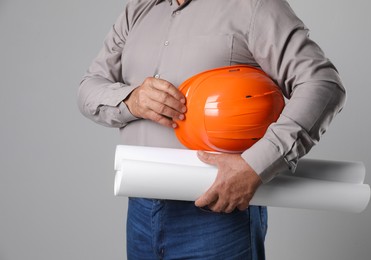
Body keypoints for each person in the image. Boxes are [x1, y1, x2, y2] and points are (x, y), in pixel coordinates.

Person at [77, 0, 346, 259]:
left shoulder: (254, 5)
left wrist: (256, 165)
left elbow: (323, 83)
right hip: (141, 211)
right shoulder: (138, 9)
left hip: (218, 212)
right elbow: (89, 87)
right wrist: (131, 99)